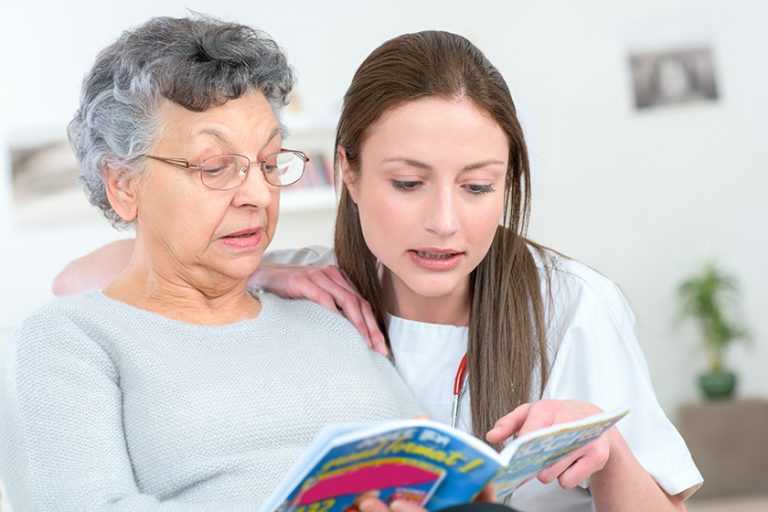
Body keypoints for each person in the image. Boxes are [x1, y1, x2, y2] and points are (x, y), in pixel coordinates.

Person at [53, 31, 703, 511]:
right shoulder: (313, 289)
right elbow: (80, 283)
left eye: (478, 187)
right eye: (409, 182)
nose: (445, 222)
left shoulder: (572, 305)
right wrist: (267, 270)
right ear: (350, 172)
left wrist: (611, 454)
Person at [0, 16, 436, 512]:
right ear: (123, 184)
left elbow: (427, 466)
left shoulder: (325, 311)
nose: (257, 194)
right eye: (214, 167)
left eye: (269, 163)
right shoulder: (69, 340)